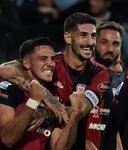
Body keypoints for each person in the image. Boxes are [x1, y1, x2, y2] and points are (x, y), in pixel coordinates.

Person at [0, 12, 111, 150]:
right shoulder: (50, 63)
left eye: (93, 36)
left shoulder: (101, 74)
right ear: (68, 37)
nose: (90, 42)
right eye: (83, 35)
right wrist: (47, 96)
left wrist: (46, 113)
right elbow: (5, 68)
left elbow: (79, 110)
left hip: (72, 142)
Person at [0, 37, 85, 150]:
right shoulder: (8, 88)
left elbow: (59, 148)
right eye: (43, 59)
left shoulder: (53, 103)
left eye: (53, 59)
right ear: (26, 63)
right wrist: (33, 101)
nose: (50, 63)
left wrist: (75, 114)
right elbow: (7, 139)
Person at [85, 21, 125, 150]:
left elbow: (116, 125)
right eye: (104, 42)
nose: (110, 49)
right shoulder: (80, 73)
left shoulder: (118, 82)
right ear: (94, 42)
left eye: (115, 44)